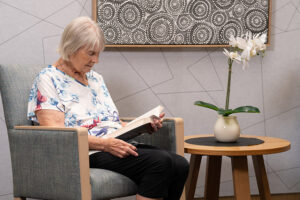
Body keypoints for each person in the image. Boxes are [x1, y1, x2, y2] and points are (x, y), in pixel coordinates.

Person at [27, 16, 189, 200]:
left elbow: (109, 121)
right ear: (70, 47)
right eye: (90, 53)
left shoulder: (96, 78)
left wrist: (143, 126)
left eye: (98, 54)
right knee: (161, 163)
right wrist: (104, 144)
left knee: (180, 164)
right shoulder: (48, 79)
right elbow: (55, 133)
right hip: (87, 151)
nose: (96, 60)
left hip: (113, 143)